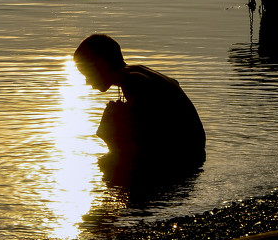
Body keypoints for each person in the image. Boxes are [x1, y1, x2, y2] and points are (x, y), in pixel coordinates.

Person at [74, 34, 206, 171]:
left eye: (87, 74)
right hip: (193, 149)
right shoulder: (136, 72)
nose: (87, 82)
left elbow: (147, 133)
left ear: (101, 65)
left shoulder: (133, 82)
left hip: (184, 155)